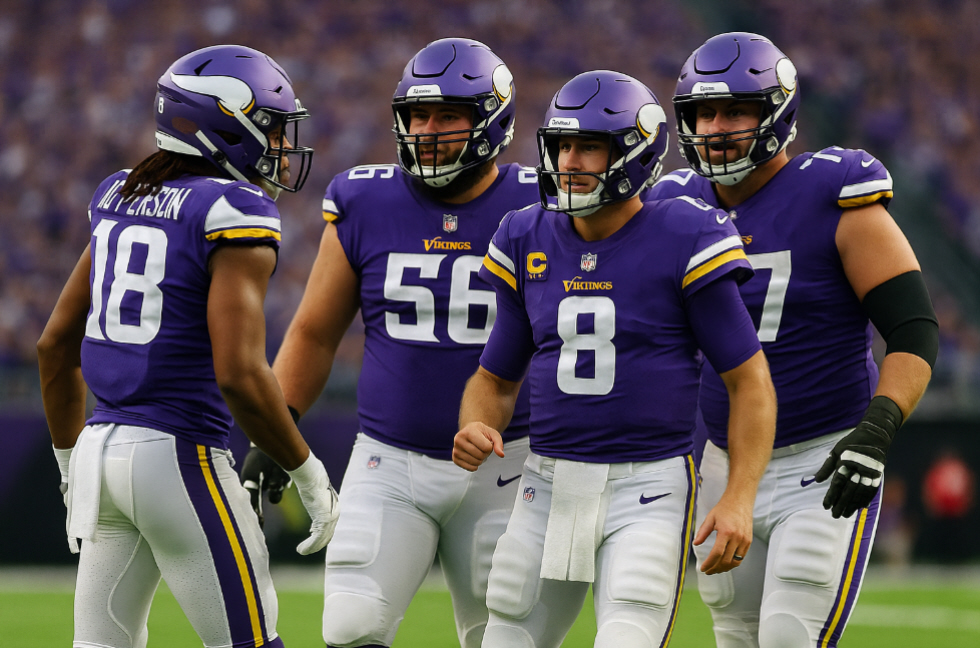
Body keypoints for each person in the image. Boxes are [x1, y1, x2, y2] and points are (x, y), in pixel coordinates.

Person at [453, 70, 777, 648]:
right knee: (506, 636)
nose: (569, 161)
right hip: (546, 482)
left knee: (627, 635)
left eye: (589, 146)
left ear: (636, 152)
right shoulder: (526, 235)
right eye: (562, 145)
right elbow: (494, 379)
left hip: (647, 486)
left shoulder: (686, 233)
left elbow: (749, 381)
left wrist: (739, 496)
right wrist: (476, 423)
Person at [36, 45, 339, 648]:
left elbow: (53, 346)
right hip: (178, 454)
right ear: (227, 122)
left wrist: (70, 468)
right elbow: (239, 374)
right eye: (273, 127)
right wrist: (308, 472)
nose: (282, 145)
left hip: (98, 450)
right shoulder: (233, 208)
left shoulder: (120, 193)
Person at [240, 38, 540, 648]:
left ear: (493, 120)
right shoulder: (365, 199)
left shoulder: (543, 204)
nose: (426, 131)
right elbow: (315, 332)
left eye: (447, 115)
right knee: (351, 627)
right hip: (389, 461)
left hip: (508, 463)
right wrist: (276, 429)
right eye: (417, 115)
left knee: (504, 637)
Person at [647, 32, 939, 648]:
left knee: (789, 635)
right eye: (704, 112)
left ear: (776, 112)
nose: (717, 127)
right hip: (723, 461)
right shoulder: (673, 207)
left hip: (823, 455)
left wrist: (877, 430)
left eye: (736, 110)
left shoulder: (833, 196)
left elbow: (913, 329)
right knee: (735, 631)